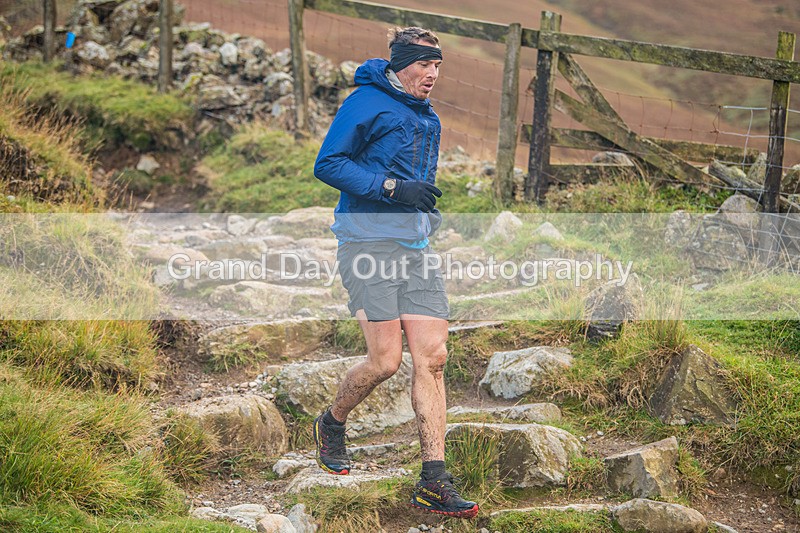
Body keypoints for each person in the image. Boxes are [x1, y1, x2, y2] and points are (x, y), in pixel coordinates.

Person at [311, 27, 478, 519]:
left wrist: (423, 212)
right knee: (385, 361)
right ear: (402, 64)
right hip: (365, 245)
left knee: (433, 357)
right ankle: (333, 421)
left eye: (439, 67)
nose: (433, 75)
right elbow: (328, 163)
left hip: (415, 249)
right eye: (425, 66)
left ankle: (434, 479)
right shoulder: (366, 102)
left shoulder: (429, 118)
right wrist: (390, 188)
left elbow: (419, 182)